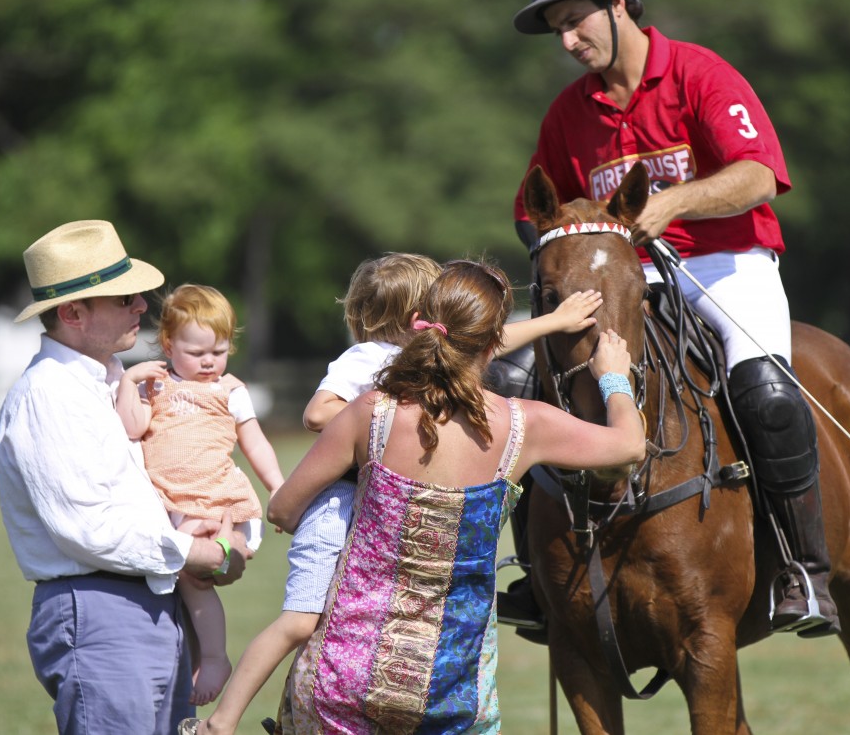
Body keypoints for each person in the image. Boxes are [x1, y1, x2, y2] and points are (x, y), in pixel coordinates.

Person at [508, 0, 839, 637]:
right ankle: (535, 571)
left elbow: (759, 174)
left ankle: (804, 569)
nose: (568, 42)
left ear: (619, 5)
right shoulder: (570, 113)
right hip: (628, 272)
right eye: (558, 32)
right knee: (521, 379)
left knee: (766, 391)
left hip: (726, 259)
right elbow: (531, 210)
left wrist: (679, 201)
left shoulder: (698, 73)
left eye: (576, 23)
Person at [177, 253, 603, 735]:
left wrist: (551, 322)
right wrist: (369, 421)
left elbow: (486, 344)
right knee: (302, 620)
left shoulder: (423, 358)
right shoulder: (370, 360)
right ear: (416, 319)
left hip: (366, 504)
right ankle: (222, 722)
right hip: (336, 504)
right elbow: (318, 414)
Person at [0, 220, 251, 735]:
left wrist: (214, 530)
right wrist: (205, 553)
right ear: (72, 312)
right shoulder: (52, 394)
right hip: (98, 609)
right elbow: (90, 529)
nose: (141, 306)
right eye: (125, 297)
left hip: (144, 601)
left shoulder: (108, 381)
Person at [116, 283, 285, 705]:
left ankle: (213, 658)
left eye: (220, 350)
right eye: (197, 353)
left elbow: (255, 442)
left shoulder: (230, 390)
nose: (210, 362)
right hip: (173, 501)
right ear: (169, 346)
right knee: (181, 582)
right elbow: (132, 427)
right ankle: (196, 657)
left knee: (194, 580)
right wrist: (129, 381)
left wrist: (278, 486)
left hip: (217, 495)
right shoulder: (153, 384)